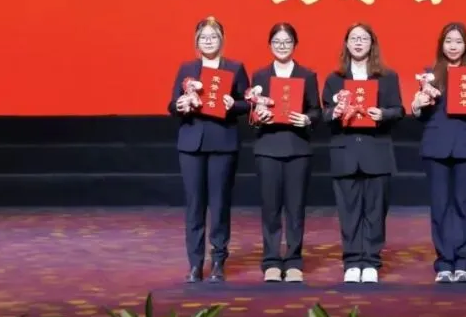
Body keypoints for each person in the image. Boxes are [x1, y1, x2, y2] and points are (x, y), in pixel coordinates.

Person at [167, 17, 250, 283]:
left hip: (222, 142)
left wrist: (233, 104)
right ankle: (195, 264)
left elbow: (248, 102)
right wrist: (180, 105)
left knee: (219, 204)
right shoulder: (187, 69)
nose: (209, 41)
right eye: (204, 37)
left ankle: (218, 261)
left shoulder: (234, 68)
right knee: (195, 205)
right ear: (196, 42)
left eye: (213, 37)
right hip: (192, 143)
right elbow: (172, 104)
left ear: (221, 40)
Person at [322, 23, 404, 284]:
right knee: (348, 211)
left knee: (375, 211)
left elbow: (398, 110)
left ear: (372, 44)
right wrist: (334, 113)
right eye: (354, 38)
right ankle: (352, 261)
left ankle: (370, 261)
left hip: (376, 150)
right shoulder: (334, 79)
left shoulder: (387, 77)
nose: (358, 43)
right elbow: (324, 113)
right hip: (345, 151)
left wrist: (383, 114)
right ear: (346, 44)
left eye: (364, 38)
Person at [411, 22, 466, 283]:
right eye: (448, 41)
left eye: (458, 41)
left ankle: (462, 262)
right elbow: (421, 116)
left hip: (465, 146)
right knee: (440, 206)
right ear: (441, 45)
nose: (453, 46)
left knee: (463, 205)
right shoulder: (429, 75)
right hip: (436, 146)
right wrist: (417, 105)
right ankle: (444, 262)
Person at [248, 23, 321, 283]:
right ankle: (270, 260)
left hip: (297, 148)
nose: (282, 46)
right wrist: (259, 116)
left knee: (295, 208)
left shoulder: (307, 75)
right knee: (270, 208)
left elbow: (316, 110)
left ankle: (293, 261)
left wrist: (307, 119)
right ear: (270, 45)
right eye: (277, 42)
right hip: (268, 148)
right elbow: (252, 114)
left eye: (287, 41)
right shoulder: (260, 76)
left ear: (294, 45)